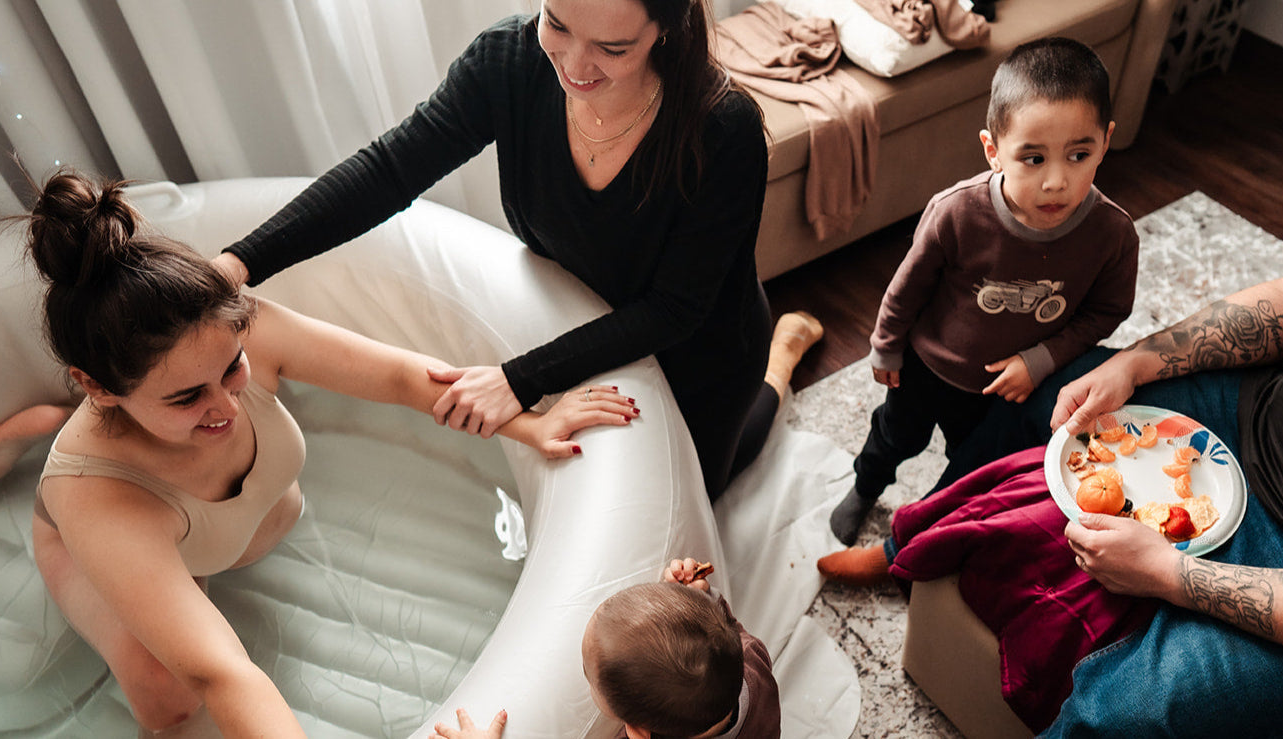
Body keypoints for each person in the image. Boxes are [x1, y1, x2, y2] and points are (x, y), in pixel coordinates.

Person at [0, 170, 637, 737]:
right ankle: (47, 430)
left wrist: (530, 422)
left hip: (228, 521)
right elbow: (222, 672)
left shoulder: (238, 328)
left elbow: (402, 378)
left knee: (274, 516)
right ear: (100, 386)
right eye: (186, 397)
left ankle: (68, 422)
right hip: (93, 531)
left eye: (233, 368)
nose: (229, 407)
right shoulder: (98, 498)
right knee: (167, 699)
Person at [837, 135, 1283, 735]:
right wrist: (1136, 361)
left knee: (1125, 711)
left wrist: (1171, 577)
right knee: (1057, 394)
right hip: (1258, 418)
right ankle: (911, 547)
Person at [210, 0, 823, 501]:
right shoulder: (510, 62)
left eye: (613, 48)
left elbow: (674, 309)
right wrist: (238, 263)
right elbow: (389, 170)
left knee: (700, 487)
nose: (575, 65)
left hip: (700, 350)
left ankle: (779, 365)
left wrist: (517, 379)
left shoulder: (722, 129)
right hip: (580, 314)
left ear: (666, 28)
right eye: (556, 22)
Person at [826, 37, 1138, 545]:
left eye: (1079, 154)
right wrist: (886, 344)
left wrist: (1040, 359)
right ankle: (866, 485)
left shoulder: (1113, 235)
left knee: (972, 462)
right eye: (1032, 159)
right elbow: (908, 285)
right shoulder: (956, 212)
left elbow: (1106, 313)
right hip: (927, 366)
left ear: (1105, 141)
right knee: (894, 436)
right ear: (993, 151)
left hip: (1008, 387)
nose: (1056, 181)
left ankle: (938, 521)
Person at [431, 557, 779, 739]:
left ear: (637, 731)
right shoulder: (752, 662)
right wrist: (697, 597)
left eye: (588, 674)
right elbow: (722, 630)